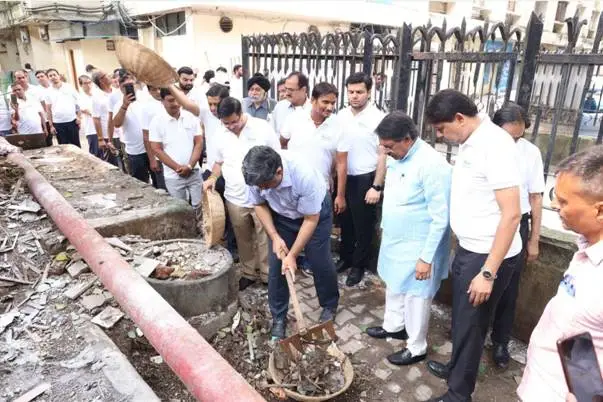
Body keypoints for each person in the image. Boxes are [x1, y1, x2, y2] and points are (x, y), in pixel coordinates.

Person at [424, 89, 522, 402]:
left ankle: (458, 394)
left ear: (460, 118)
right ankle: (457, 369)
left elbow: (512, 214)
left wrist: (489, 272)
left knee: (472, 324)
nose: (441, 136)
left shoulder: (494, 146)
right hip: (470, 248)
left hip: (487, 255)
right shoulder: (471, 142)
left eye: (441, 129)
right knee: (463, 320)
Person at [518, 145, 603, 402]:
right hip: (542, 382)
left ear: (599, 210)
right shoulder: (586, 248)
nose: (554, 205)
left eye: (564, 201)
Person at [366, 111, 451, 366]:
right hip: (395, 239)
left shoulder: (432, 165)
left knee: (416, 296)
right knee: (394, 284)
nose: (386, 152)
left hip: (419, 245)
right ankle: (393, 326)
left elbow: (441, 218)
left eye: (389, 147)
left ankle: (416, 347)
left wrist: (426, 258)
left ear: (406, 139)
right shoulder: (396, 156)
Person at [242, 145, 339, 340]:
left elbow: (310, 220)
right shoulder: (255, 175)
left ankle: (329, 304)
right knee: (278, 265)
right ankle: (279, 316)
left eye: (266, 186)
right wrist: (275, 237)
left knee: (319, 260)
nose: (261, 189)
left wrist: (293, 255)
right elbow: (259, 204)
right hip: (282, 215)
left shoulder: (304, 176)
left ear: (279, 172)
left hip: (314, 215)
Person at [203, 97, 280, 290]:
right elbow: (218, 163)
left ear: (241, 113)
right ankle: (248, 272)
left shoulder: (262, 128)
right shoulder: (219, 134)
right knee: (242, 237)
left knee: (265, 236)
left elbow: (278, 157)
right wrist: (212, 178)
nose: (231, 126)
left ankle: (267, 274)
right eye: (226, 123)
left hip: (262, 196)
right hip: (234, 197)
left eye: (234, 122)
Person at [490, 103, 545, 369]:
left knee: (509, 289)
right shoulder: (481, 148)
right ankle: (468, 339)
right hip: (487, 222)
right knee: (475, 280)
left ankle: (500, 341)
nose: (513, 141)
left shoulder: (530, 153)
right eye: (508, 136)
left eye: (518, 136)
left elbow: (536, 196)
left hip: (516, 224)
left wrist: (534, 239)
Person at [280, 82, 349, 275]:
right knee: (293, 224)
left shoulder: (338, 126)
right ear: (312, 100)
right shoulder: (294, 119)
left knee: (317, 231)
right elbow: (282, 144)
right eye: (325, 102)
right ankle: (290, 260)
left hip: (321, 188)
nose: (329, 107)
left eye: (333, 103)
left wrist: (340, 195)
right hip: (292, 186)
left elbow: (342, 163)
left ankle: (311, 263)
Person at [337, 72, 385, 286]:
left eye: (359, 92)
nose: (354, 96)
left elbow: (383, 154)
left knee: (363, 225)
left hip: (365, 178)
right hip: (343, 177)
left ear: (368, 92)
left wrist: (377, 185)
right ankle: (345, 258)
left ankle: (359, 265)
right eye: (351, 92)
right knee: (344, 221)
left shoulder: (379, 118)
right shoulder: (341, 115)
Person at [149, 88, 204, 216]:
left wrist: (190, 166)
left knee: (200, 206)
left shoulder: (191, 117)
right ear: (162, 101)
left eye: (177, 100)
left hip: (194, 171)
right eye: (170, 100)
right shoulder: (157, 121)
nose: (175, 104)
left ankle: (202, 233)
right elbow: (156, 149)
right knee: (181, 210)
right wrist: (178, 168)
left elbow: (199, 142)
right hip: (173, 175)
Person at [199, 84, 237, 258]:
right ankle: (220, 243)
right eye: (210, 104)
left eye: (217, 104)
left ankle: (233, 248)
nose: (213, 108)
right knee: (216, 211)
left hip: (231, 175)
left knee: (232, 213)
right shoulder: (207, 115)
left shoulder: (235, 123)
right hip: (212, 171)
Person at [112, 74, 155, 186]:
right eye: (126, 86)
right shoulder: (118, 105)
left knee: (158, 181)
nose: (129, 88)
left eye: (131, 85)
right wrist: (124, 106)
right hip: (135, 151)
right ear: (121, 88)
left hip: (153, 148)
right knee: (140, 183)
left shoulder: (146, 100)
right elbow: (116, 124)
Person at [271, 72, 311, 142]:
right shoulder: (280, 107)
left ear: (303, 90)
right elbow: (272, 134)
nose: (287, 93)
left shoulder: (313, 110)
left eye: (291, 90)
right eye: (286, 89)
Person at [140, 84, 167, 190]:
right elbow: (146, 135)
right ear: (149, 91)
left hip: (175, 154)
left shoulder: (173, 101)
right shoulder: (147, 107)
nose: (158, 92)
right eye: (154, 89)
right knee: (164, 189)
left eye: (160, 88)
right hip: (159, 156)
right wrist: (152, 159)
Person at [46, 68, 81, 147]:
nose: (53, 77)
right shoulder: (48, 91)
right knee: (63, 147)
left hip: (72, 121)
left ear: (59, 76)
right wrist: (51, 126)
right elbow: (48, 110)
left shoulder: (69, 87)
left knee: (76, 146)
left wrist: (79, 117)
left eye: (54, 75)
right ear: (48, 78)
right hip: (58, 123)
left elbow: (78, 103)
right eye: (50, 76)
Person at [91, 70, 119, 166]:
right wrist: (100, 139)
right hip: (108, 136)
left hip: (121, 133)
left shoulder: (116, 91)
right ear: (101, 80)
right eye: (106, 75)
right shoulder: (97, 97)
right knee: (113, 163)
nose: (109, 75)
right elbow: (96, 118)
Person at [77, 75, 100, 157]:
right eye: (85, 83)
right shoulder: (80, 97)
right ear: (81, 85)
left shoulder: (97, 94)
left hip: (102, 128)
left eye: (90, 82)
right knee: (95, 154)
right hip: (91, 130)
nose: (88, 85)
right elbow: (87, 111)